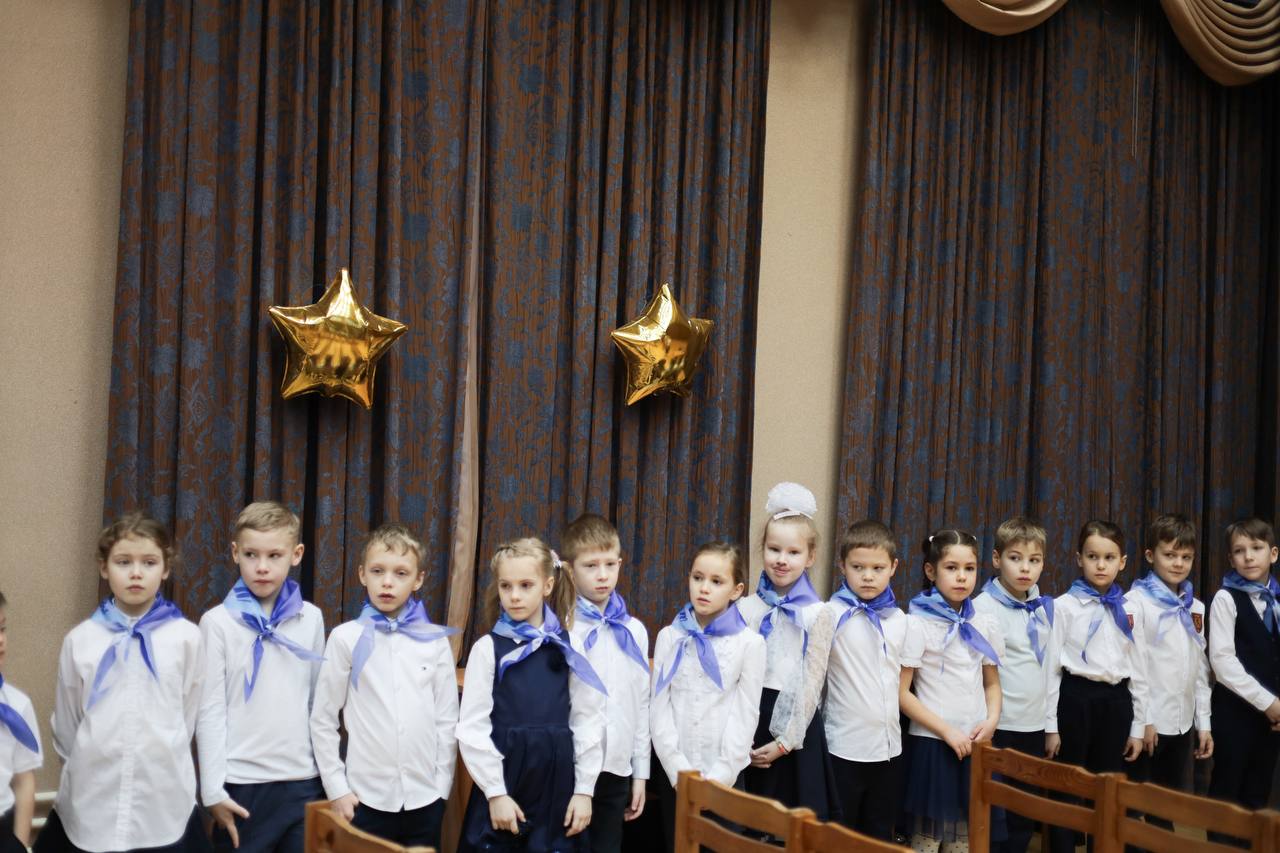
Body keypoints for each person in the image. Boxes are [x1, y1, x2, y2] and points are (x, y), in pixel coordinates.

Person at [36, 514, 208, 853]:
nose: (136, 573)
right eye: (123, 562)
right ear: (104, 568)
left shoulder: (187, 638)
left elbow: (187, 712)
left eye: (149, 562)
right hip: (93, 797)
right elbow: (67, 723)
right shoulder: (80, 640)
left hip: (161, 798)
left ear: (166, 568)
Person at [311, 523, 459, 848]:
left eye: (401, 573)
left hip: (425, 799)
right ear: (362, 574)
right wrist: (337, 789)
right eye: (378, 571)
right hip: (365, 800)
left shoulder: (434, 641)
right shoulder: (345, 639)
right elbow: (323, 719)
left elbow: (447, 719)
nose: (387, 582)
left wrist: (441, 788)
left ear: (418, 579)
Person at [457, 538, 607, 852]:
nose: (514, 596)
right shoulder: (487, 649)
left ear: (547, 585)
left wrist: (584, 791)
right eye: (506, 586)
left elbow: (588, 719)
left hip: (558, 786)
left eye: (526, 585)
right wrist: (496, 793)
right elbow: (472, 727)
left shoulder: (569, 647)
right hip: (506, 781)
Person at [197, 502, 324, 853]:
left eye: (274, 555)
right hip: (241, 783)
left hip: (302, 781)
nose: (262, 566)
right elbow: (209, 711)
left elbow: (317, 703)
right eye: (251, 554)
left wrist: (328, 778)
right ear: (235, 553)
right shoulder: (217, 623)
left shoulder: (311, 618)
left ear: (296, 555)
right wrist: (212, 790)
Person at [781, 519, 909, 841]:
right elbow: (811, 679)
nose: (868, 576)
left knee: (879, 837)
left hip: (888, 750)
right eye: (858, 567)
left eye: (878, 568)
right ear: (842, 565)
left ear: (893, 567)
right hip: (842, 749)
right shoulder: (829, 613)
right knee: (838, 836)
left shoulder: (900, 620)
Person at [650, 542, 765, 851]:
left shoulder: (749, 644)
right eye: (698, 578)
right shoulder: (670, 637)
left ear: (736, 590)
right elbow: (658, 709)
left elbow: (746, 714)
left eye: (717, 581)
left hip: (725, 777)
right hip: (677, 776)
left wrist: (719, 778)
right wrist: (679, 771)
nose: (704, 588)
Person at [1045, 520, 1149, 853]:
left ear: (1123, 562)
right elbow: (1051, 669)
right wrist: (1051, 726)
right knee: (1069, 786)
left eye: (1109, 557)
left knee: (1109, 790)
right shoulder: (1063, 606)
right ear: (1079, 558)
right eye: (1092, 556)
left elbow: (1140, 669)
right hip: (1075, 699)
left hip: (1116, 702)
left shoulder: (1131, 608)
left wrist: (1138, 726)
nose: (1100, 565)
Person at [736, 483, 837, 820]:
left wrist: (785, 743)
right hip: (751, 718)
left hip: (796, 728)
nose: (781, 559)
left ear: (810, 557)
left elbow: (813, 683)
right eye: (774, 549)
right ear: (762, 550)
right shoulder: (745, 608)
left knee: (793, 827)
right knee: (749, 822)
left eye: (793, 552)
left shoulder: (819, 613)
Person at [900, 528, 1003, 853]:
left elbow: (992, 683)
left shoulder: (984, 622)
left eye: (969, 568)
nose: (961, 576)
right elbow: (902, 694)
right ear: (931, 571)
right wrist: (946, 731)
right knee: (928, 840)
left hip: (974, 742)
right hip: (933, 744)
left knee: (965, 838)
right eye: (951, 568)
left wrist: (992, 721)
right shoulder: (916, 623)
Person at [562, 514, 650, 853]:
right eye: (591, 566)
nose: (602, 575)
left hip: (617, 767)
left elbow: (641, 704)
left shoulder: (635, 631)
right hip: (570, 767)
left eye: (610, 564)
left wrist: (640, 772)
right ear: (570, 570)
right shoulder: (563, 629)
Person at [971, 516, 1053, 853]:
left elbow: (1049, 669)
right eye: (1015, 558)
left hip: (1034, 725)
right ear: (996, 559)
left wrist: (1051, 725)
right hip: (1000, 726)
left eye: (1034, 560)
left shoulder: (1043, 607)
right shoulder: (982, 608)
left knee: (1024, 813)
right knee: (995, 814)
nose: (1025, 568)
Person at [1125, 514, 1211, 809]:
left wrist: (1203, 723)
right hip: (1149, 722)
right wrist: (1145, 720)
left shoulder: (1195, 607)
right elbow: (1134, 667)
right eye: (1170, 555)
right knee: (1134, 806)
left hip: (1182, 722)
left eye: (1186, 557)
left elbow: (1200, 669)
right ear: (1151, 555)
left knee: (1166, 806)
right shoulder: (1136, 602)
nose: (1178, 563)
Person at [1207, 517, 1280, 814]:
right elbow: (1222, 662)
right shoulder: (1226, 598)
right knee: (1227, 791)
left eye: (1256, 548)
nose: (1248, 556)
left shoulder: (1277, 599)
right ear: (1230, 559)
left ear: (1273, 554)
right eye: (1239, 551)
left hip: (1272, 717)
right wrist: (1269, 703)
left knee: (1258, 790)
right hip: (1234, 712)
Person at [0, 590, 41, 853]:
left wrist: (20, 843)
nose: (1, 640)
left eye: (2, 629)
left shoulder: (17, 705)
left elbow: (24, 780)